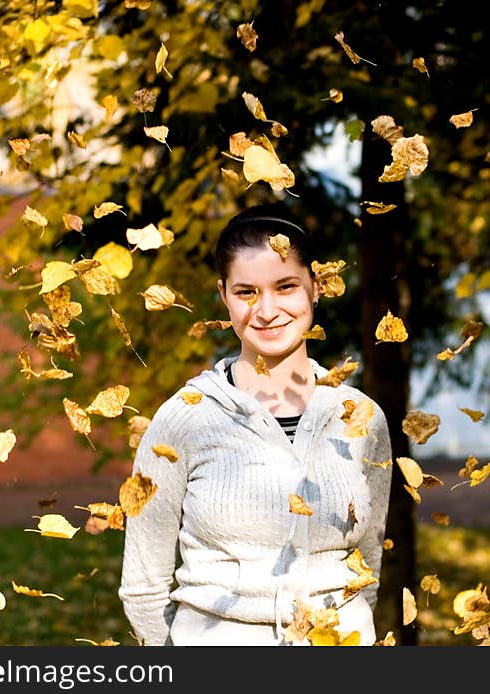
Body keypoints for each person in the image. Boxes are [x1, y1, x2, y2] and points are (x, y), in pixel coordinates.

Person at [118, 203, 392, 646]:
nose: (266, 310)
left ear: (315, 288)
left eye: (286, 286)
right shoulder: (184, 418)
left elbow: (369, 569)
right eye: (246, 292)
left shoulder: (360, 418)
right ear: (224, 295)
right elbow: (143, 588)